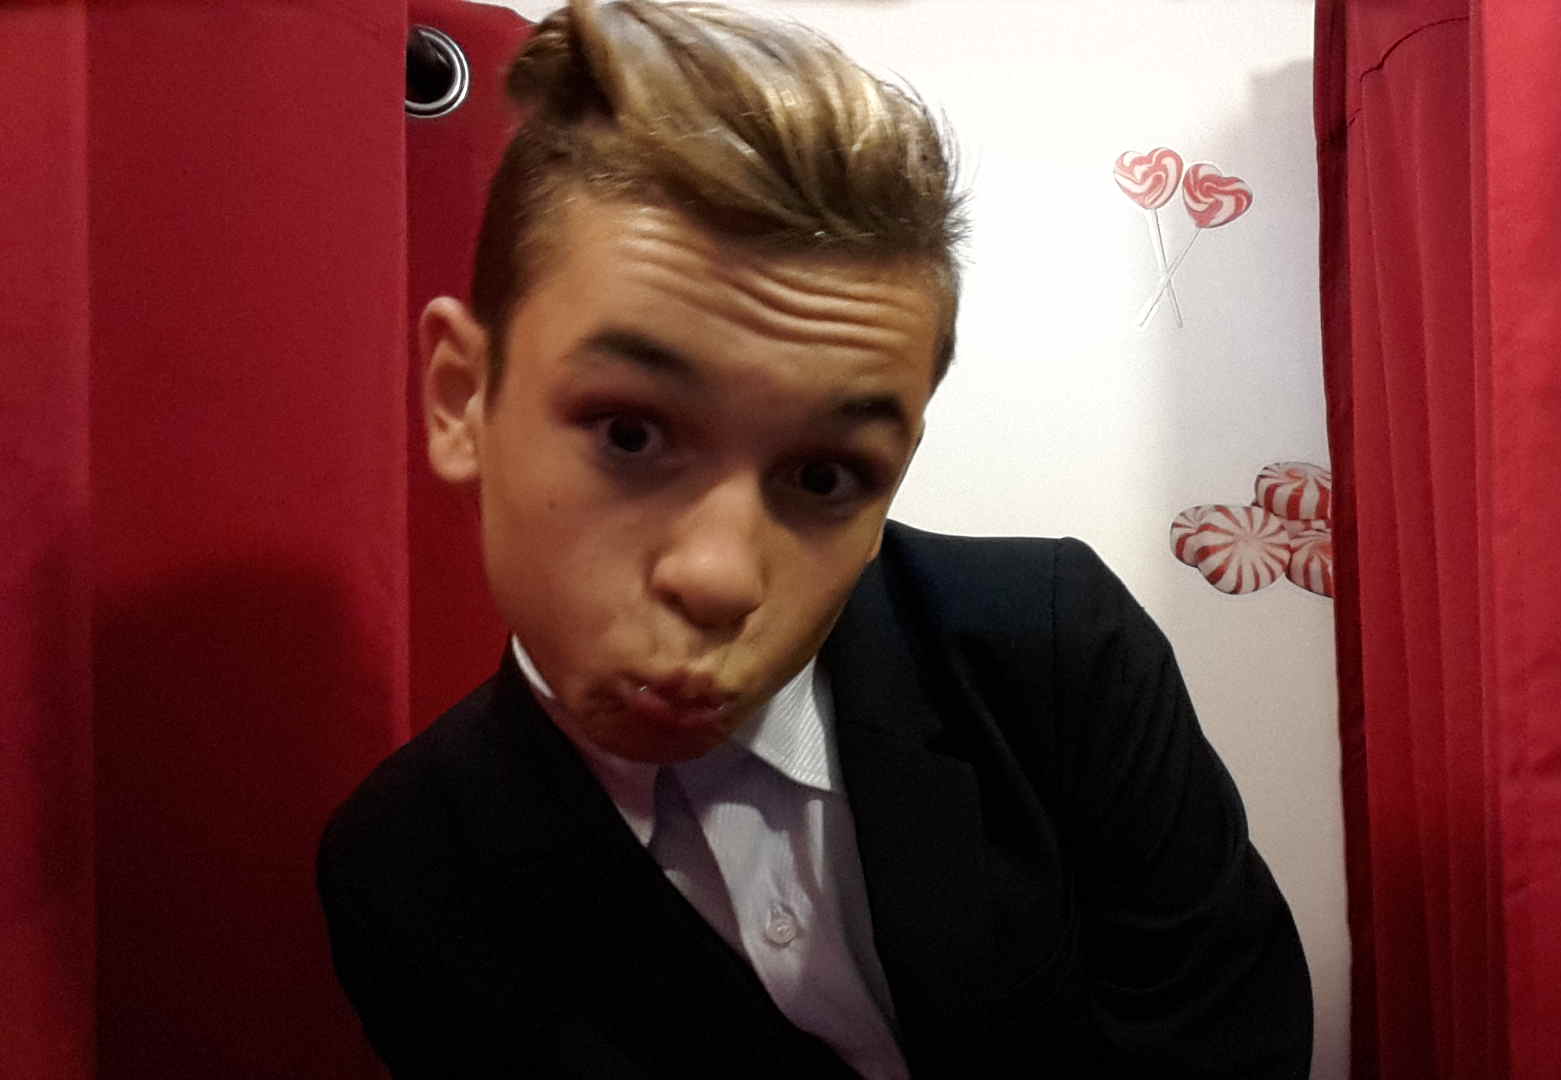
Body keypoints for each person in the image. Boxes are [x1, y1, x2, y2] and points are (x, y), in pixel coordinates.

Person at [316, 2, 1312, 1076]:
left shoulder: (1058, 656)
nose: (718, 578)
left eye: (825, 477)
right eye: (630, 432)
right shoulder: (406, 867)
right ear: (462, 399)